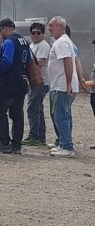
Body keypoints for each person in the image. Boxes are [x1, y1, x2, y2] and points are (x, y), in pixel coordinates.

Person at [0, 18, 30, 154]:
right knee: (17, 114)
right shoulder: (24, 41)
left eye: (0, 30)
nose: (0, 33)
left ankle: (4, 142)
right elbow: (29, 61)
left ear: (5, 28)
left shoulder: (9, 41)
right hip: (22, 81)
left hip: (9, 82)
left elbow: (7, 60)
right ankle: (17, 145)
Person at [46, 16, 78, 157]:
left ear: (60, 26)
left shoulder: (62, 43)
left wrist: (68, 83)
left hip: (62, 86)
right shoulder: (64, 41)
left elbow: (68, 62)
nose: (49, 29)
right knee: (64, 115)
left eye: (51, 26)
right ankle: (64, 143)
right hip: (61, 85)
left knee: (60, 117)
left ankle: (66, 146)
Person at [22, 22, 51, 146]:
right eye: (33, 32)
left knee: (32, 108)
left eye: (38, 32)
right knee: (38, 108)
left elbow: (41, 62)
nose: (35, 35)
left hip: (41, 81)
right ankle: (40, 136)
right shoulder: (32, 45)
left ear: (43, 34)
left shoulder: (43, 46)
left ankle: (34, 136)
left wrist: (27, 65)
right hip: (34, 81)